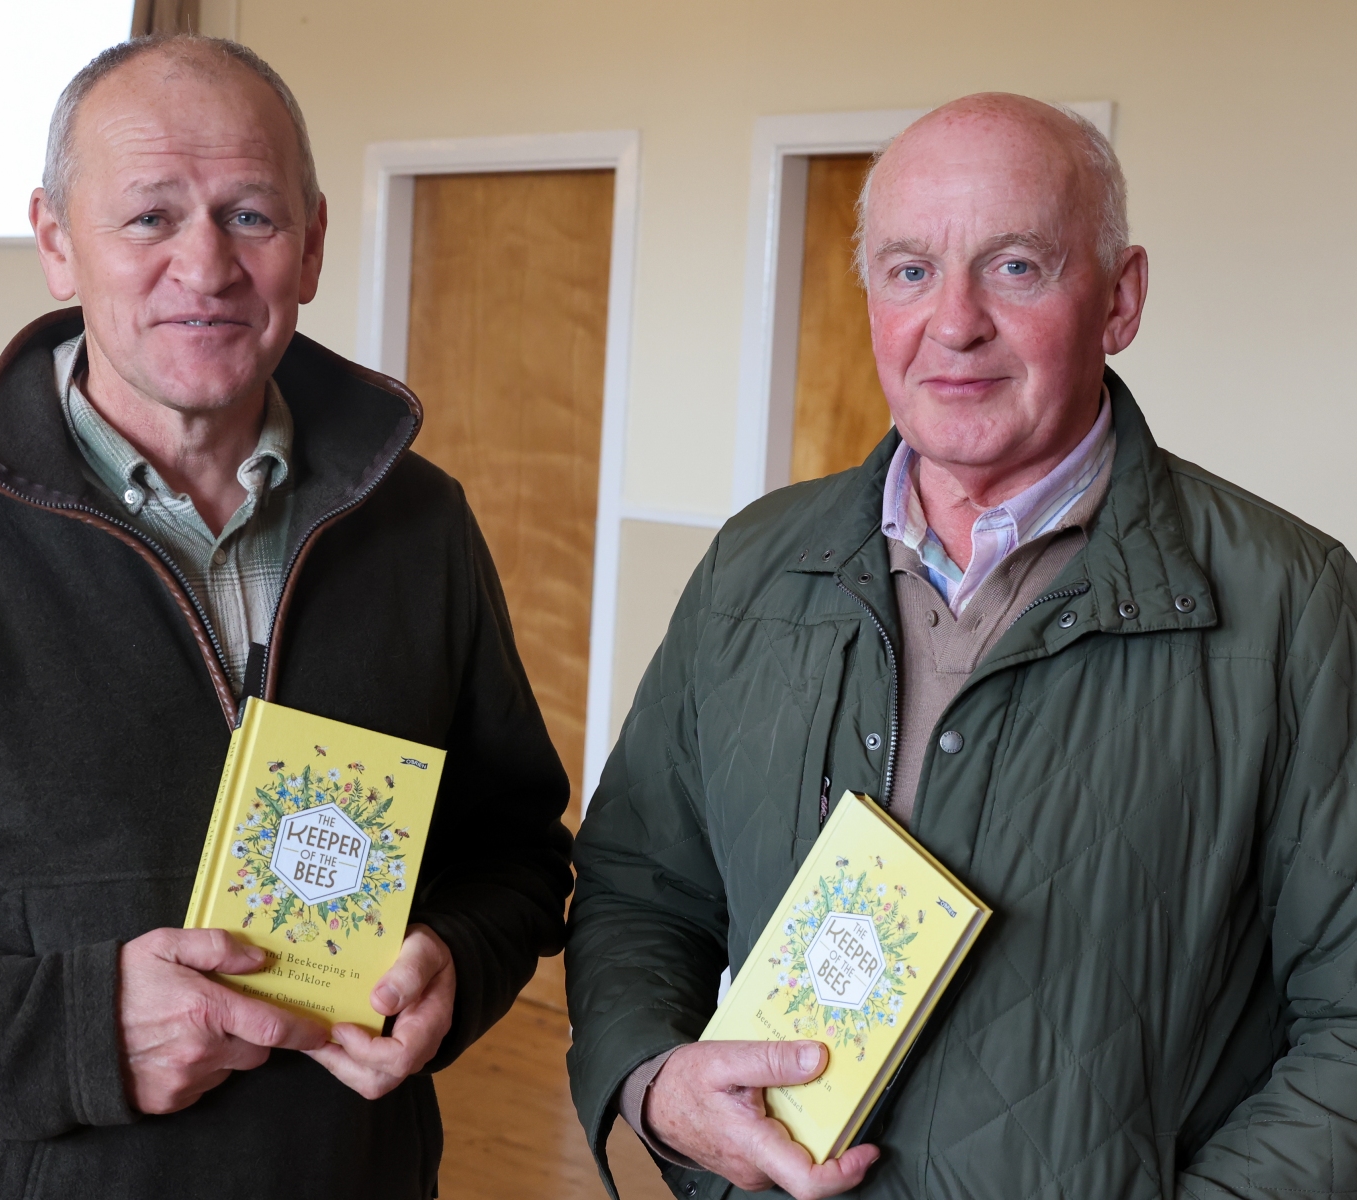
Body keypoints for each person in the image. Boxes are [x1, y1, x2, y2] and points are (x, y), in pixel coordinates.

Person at [0, 35, 571, 1199]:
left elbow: (516, 853)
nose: (207, 266)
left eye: (250, 215)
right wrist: (76, 1030)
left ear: (312, 243)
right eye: (150, 217)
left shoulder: (421, 524)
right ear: (56, 242)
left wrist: (459, 957)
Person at [567, 92, 1357, 1200]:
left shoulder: (1294, 603)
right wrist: (657, 1081)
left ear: (1120, 298)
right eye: (909, 270)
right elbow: (639, 890)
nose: (954, 322)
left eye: (1015, 266)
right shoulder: (752, 566)